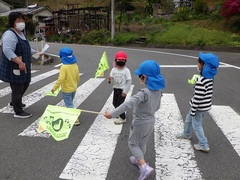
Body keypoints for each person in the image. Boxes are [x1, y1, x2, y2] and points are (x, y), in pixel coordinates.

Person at [105, 60, 165, 180]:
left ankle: (143, 166)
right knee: (142, 143)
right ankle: (139, 160)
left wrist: (112, 114)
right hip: (150, 121)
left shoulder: (143, 93)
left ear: (144, 77)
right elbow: (157, 107)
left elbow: (127, 104)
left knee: (133, 144)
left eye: (140, 76)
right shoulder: (159, 91)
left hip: (140, 123)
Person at [176, 52, 220, 152]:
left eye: (199, 63)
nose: (197, 65)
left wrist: (193, 110)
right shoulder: (209, 78)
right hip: (204, 106)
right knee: (188, 119)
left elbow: (197, 97)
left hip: (197, 107)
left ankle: (203, 144)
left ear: (204, 66)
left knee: (197, 124)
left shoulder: (201, 81)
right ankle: (186, 133)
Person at [0, 12, 38, 118]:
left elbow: (26, 48)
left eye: (22, 20)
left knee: (25, 82)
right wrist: (20, 62)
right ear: (13, 23)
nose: (21, 23)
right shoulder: (10, 34)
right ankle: (18, 111)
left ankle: (14, 102)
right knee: (17, 86)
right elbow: (7, 50)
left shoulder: (21, 33)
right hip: (14, 65)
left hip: (23, 64)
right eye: (18, 21)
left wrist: (35, 52)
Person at [51, 47, 80, 126]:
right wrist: (76, 83)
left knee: (69, 105)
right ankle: (70, 115)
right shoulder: (75, 65)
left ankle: (75, 119)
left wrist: (54, 88)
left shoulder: (64, 67)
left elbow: (60, 79)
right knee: (70, 103)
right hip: (74, 88)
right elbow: (77, 76)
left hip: (66, 89)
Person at [108, 51, 132, 125]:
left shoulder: (126, 71)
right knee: (114, 103)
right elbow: (110, 78)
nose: (121, 62)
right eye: (119, 60)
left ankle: (122, 118)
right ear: (116, 60)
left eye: (123, 60)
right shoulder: (114, 69)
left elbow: (129, 82)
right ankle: (117, 112)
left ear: (125, 61)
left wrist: (125, 92)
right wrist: (109, 80)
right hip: (115, 89)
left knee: (120, 104)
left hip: (122, 90)